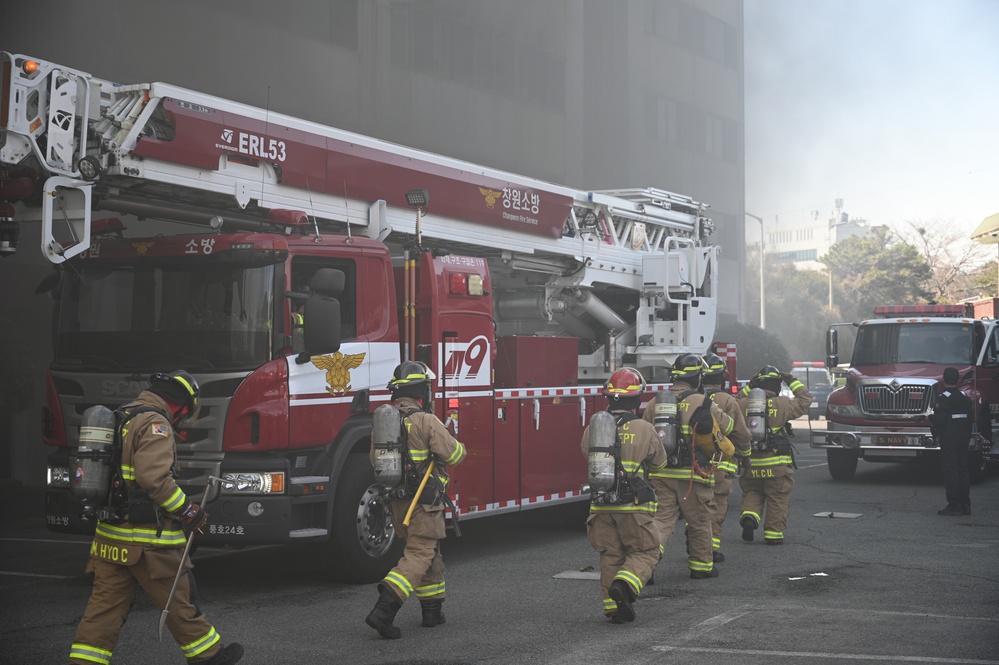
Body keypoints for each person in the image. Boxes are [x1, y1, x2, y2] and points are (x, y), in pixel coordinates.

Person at [69, 371, 244, 665]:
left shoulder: (121, 416)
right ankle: (209, 658)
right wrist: (189, 511)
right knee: (179, 601)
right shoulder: (155, 423)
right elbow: (154, 479)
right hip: (149, 543)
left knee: (103, 610)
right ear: (183, 405)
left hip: (110, 538)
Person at [365, 361, 466, 639]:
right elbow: (455, 456)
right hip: (424, 504)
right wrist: (456, 442)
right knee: (419, 554)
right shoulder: (426, 420)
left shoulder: (384, 423)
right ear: (421, 390)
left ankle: (432, 612)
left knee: (429, 553)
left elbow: (375, 461)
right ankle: (383, 611)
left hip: (398, 505)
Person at [581, 367, 666, 623]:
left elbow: (587, 454)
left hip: (600, 504)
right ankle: (625, 586)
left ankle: (613, 608)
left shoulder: (594, 427)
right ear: (637, 398)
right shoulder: (645, 428)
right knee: (647, 550)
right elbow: (660, 463)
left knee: (611, 555)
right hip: (633, 505)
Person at [643, 355, 734, 579]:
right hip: (693, 474)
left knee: (661, 521)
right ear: (697, 377)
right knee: (700, 520)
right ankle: (701, 567)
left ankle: (646, 565)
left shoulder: (656, 403)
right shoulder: (702, 402)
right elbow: (728, 426)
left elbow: (646, 432)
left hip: (661, 472)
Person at [735, 365, 812, 545]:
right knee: (778, 497)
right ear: (777, 386)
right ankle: (773, 534)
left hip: (750, 464)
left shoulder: (743, 404)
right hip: (777, 465)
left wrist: (750, 385)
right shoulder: (784, 404)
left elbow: (736, 398)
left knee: (752, 492)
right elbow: (805, 399)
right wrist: (791, 381)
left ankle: (750, 517)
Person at [699, 353, 752, 562]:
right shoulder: (727, 400)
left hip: (694, 465)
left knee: (698, 506)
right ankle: (709, 550)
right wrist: (746, 458)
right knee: (717, 507)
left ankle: (695, 541)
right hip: (720, 465)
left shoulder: (692, 398)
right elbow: (741, 434)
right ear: (721, 376)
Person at [929, 367, 973, 516]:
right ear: (958, 380)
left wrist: (930, 418)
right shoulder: (965, 397)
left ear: (944, 379)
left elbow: (940, 421)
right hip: (964, 438)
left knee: (951, 471)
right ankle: (966, 504)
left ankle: (954, 504)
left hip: (949, 439)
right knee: (963, 470)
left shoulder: (943, 398)